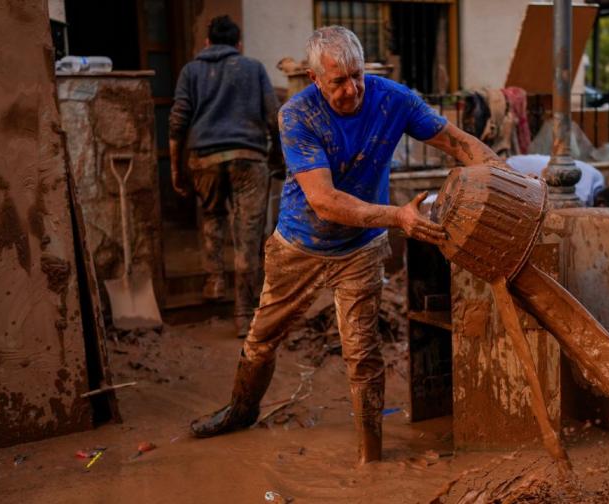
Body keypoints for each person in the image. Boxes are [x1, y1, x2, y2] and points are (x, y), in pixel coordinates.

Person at [189, 26, 507, 465]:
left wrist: (504, 177)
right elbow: (325, 201)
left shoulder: (392, 98)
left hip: (361, 248)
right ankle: (240, 411)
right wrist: (398, 216)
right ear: (315, 78)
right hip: (298, 245)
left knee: (362, 353)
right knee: (261, 340)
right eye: (338, 81)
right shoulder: (297, 115)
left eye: (356, 75)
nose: (351, 89)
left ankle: (369, 457)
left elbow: (456, 142)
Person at [169, 15, 279, 338]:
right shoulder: (254, 68)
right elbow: (274, 116)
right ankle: (244, 315)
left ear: (207, 43)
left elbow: (177, 123)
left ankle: (214, 277)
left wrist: (177, 169)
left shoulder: (190, 70)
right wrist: (278, 157)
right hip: (248, 159)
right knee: (247, 236)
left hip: (204, 159)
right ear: (239, 45)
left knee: (213, 216)